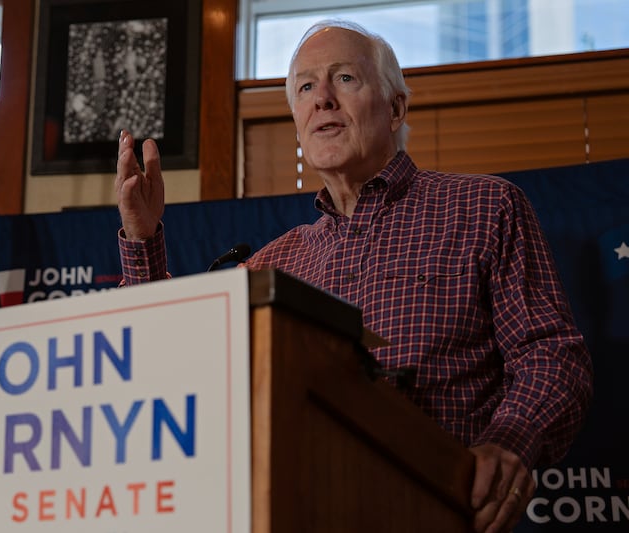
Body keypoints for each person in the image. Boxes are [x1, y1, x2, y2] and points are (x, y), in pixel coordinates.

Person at [114, 19, 593, 533]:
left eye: (344, 78)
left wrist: (509, 442)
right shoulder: (271, 266)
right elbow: (176, 374)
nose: (322, 99)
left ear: (395, 108)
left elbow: (551, 355)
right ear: (298, 122)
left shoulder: (485, 207)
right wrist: (143, 239)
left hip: (440, 510)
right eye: (305, 87)